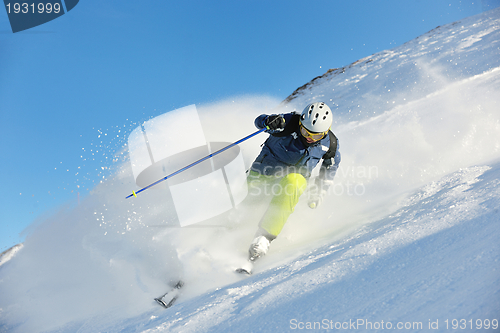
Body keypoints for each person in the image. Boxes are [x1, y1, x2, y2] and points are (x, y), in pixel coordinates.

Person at [239, 102, 341, 273]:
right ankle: (220, 239)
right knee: (245, 209)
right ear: (300, 124)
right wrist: (269, 121)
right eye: (305, 132)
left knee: (294, 182)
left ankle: (263, 239)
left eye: (315, 136)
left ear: (325, 132)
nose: (309, 138)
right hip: (264, 174)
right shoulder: (289, 122)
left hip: (292, 181)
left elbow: (330, 168)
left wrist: (319, 191)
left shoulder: (330, 144)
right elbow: (259, 122)